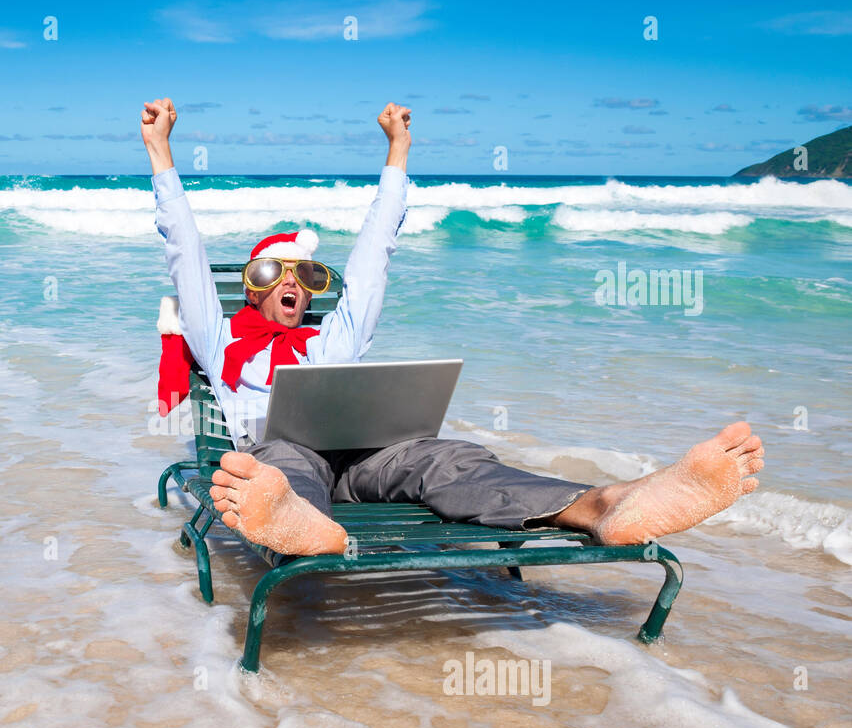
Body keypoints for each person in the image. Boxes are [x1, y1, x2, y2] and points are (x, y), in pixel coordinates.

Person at [142, 97, 765, 565]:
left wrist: (397, 153)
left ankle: (602, 505)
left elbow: (374, 253)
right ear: (252, 286)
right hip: (282, 457)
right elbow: (185, 252)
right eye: (272, 270)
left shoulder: (334, 337)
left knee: (448, 457)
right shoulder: (219, 337)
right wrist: (161, 154)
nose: (293, 282)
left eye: (307, 273)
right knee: (283, 462)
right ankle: (298, 521)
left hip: (366, 457)